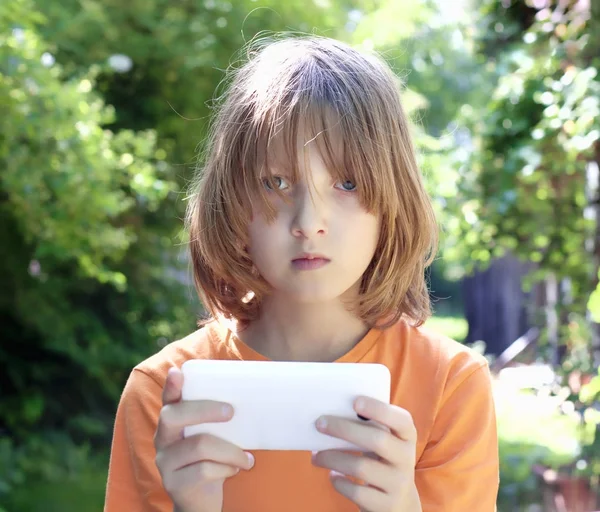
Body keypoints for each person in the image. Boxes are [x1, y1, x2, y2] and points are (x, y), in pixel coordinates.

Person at [104, 34, 499, 512]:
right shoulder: (164, 394)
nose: (308, 222)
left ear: (394, 199)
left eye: (346, 182)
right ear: (232, 202)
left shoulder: (450, 387)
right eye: (277, 182)